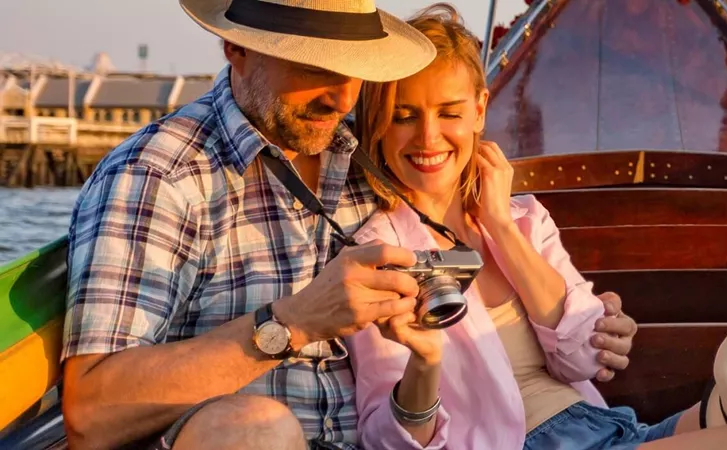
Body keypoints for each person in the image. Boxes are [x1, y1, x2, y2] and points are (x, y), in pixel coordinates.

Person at [60, 1, 639, 448]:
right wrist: (291, 324)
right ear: (236, 47)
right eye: (314, 66)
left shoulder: (365, 152)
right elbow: (92, 412)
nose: (342, 98)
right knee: (256, 430)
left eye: (358, 69)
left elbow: (458, 183)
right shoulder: (162, 175)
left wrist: (587, 316)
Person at [344, 5, 727, 450]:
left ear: (480, 109)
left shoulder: (523, 218)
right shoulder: (379, 253)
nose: (428, 137)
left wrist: (501, 226)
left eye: (449, 112)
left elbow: (583, 356)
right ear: (378, 123)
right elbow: (388, 441)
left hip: (606, 427)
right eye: (404, 116)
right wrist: (426, 361)